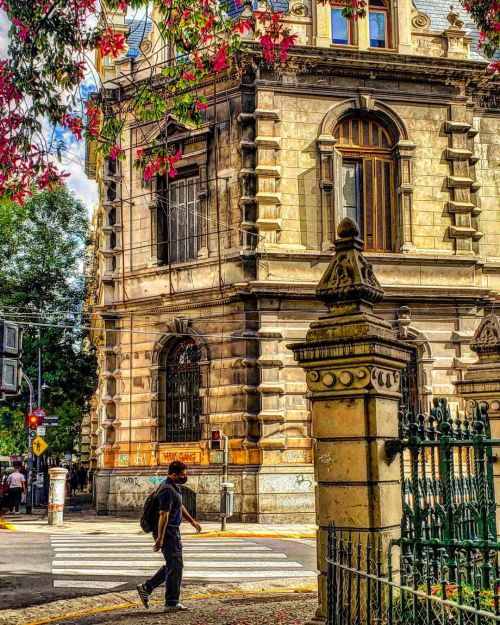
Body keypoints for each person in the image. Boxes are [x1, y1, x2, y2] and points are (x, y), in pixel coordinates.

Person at [136, 461, 202, 613]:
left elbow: (178, 505)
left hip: (172, 531)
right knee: (176, 565)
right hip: (168, 533)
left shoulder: (173, 486)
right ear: (174, 474)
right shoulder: (167, 490)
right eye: (183, 474)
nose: (185, 477)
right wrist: (160, 538)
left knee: (173, 564)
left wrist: (191, 521)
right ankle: (171, 601)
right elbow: (163, 515)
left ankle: (147, 587)